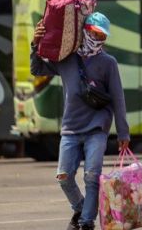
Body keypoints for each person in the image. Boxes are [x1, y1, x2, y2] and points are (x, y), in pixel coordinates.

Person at [30, 12, 130, 230]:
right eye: (94, 33)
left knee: (92, 176)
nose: (97, 39)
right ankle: (81, 207)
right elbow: (37, 69)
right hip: (70, 129)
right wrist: (34, 43)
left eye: (102, 36)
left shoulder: (108, 63)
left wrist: (123, 133)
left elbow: (118, 98)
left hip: (97, 128)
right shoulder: (66, 58)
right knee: (64, 177)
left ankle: (86, 222)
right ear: (85, 31)